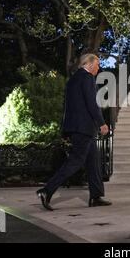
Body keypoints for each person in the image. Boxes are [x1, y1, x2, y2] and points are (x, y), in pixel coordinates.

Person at [36, 54, 112, 210]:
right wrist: (102, 123)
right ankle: (46, 190)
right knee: (76, 161)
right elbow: (92, 104)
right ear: (89, 64)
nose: (98, 68)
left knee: (93, 162)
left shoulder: (73, 79)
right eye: (97, 64)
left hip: (77, 127)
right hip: (83, 128)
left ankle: (96, 196)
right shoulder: (87, 78)